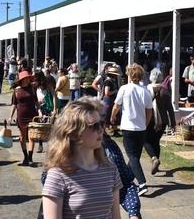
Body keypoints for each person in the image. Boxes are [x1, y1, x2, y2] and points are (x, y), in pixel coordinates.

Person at [42, 99, 122, 219]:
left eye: (101, 124)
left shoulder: (110, 169)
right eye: (93, 126)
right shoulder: (57, 176)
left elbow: (116, 216)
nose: (101, 130)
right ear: (73, 133)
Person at [111, 63, 152, 196]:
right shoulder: (145, 91)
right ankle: (126, 180)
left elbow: (116, 106)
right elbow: (149, 111)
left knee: (132, 157)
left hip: (128, 126)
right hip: (140, 127)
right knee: (135, 157)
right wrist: (145, 123)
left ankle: (142, 183)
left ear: (129, 75)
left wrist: (112, 117)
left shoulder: (124, 89)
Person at [144, 68, 176, 175]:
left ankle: (154, 159)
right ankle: (156, 163)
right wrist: (173, 123)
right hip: (162, 122)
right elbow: (170, 108)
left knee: (146, 141)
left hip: (149, 120)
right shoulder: (165, 90)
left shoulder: (146, 90)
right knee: (156, 141)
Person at [8, 71, 40, 166]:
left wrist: (40, 111)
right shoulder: (16, 90)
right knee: (22, 137)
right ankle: (25, 156)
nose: (26, 80)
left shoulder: (32, 88)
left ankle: (30, 157)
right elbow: (14, 104)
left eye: (28, 78)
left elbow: (36, 101)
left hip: (32, 115)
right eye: (24, 78)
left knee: (31, 137)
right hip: (21, 115)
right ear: (21, 80)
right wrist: (10, 116)